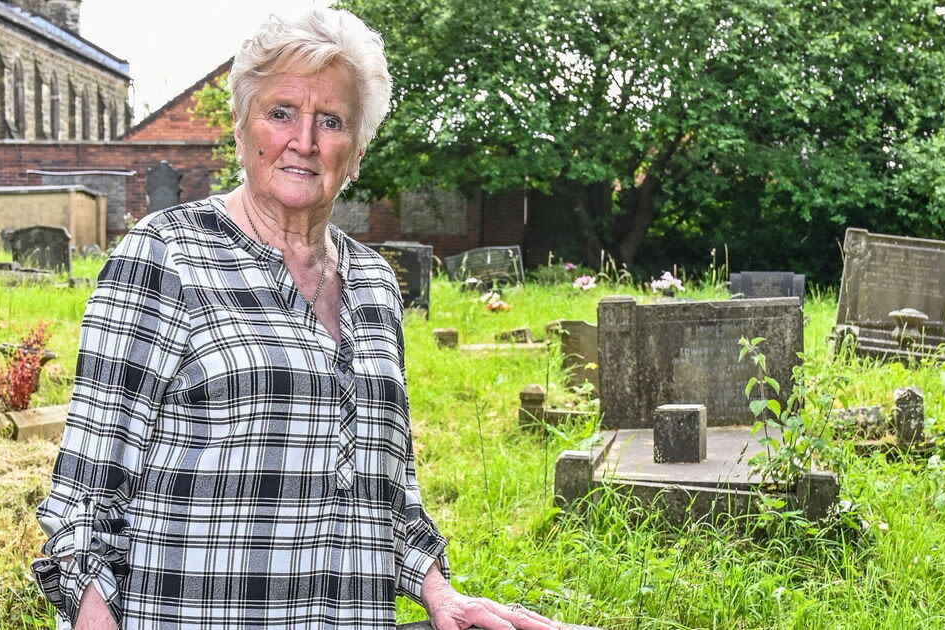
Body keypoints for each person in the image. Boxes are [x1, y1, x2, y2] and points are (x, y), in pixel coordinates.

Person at [32, 8, 558, 630]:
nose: (303, 141)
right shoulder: (166, 255)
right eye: (281, 112)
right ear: (241, 127)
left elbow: (388, 492)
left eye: (330, 121)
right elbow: (84, 503)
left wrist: (439, 593)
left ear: (356, 153)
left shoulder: (373, 285)